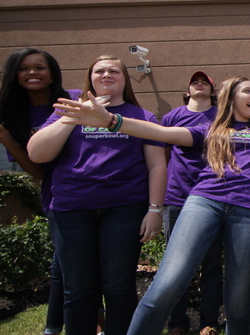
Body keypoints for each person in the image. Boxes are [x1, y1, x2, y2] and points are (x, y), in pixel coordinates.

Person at [51, 76, 250, 335]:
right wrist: (111, 121)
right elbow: (161, 133)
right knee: (167, 282)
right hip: (205, 201)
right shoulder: (210, 130)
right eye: (247, 91)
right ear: (230, 97)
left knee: (238, 299)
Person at [28, 55, 167, 335]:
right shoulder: (66, 111)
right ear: (89, 78)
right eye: (99, 71)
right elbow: (37, 153)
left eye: (113, 71)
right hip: (70, 207)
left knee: (119, 285)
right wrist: (73, 116)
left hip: (125, 208)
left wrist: (154, 210)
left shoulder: (141, 116)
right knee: (78, 287)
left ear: (125, 79)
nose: (106, 75)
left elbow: (157, 165)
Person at [0, 48, 96, 335]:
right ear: (16, 76)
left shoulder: (73, 98)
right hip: (58, 196)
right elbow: (38, 171)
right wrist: (3, 136)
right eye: (25, 68)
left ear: (52, 74)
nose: (32, 73)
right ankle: (58, 327)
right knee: (66, 266)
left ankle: (57, 328)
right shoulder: (14, 116)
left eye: (39, 67)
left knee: (70, 266)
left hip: (92, 192)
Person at [159, 71, 222, 335]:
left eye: (204, 81)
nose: (199, 83)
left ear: (212, 89)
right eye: (194, 81)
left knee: (211, 265)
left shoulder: (221, 116)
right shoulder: (172, 117)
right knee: (176, 265)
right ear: (187, 89)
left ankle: (209, 323)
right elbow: (161, 154)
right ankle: (177, 323)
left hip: (212, 198)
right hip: (176, 198)